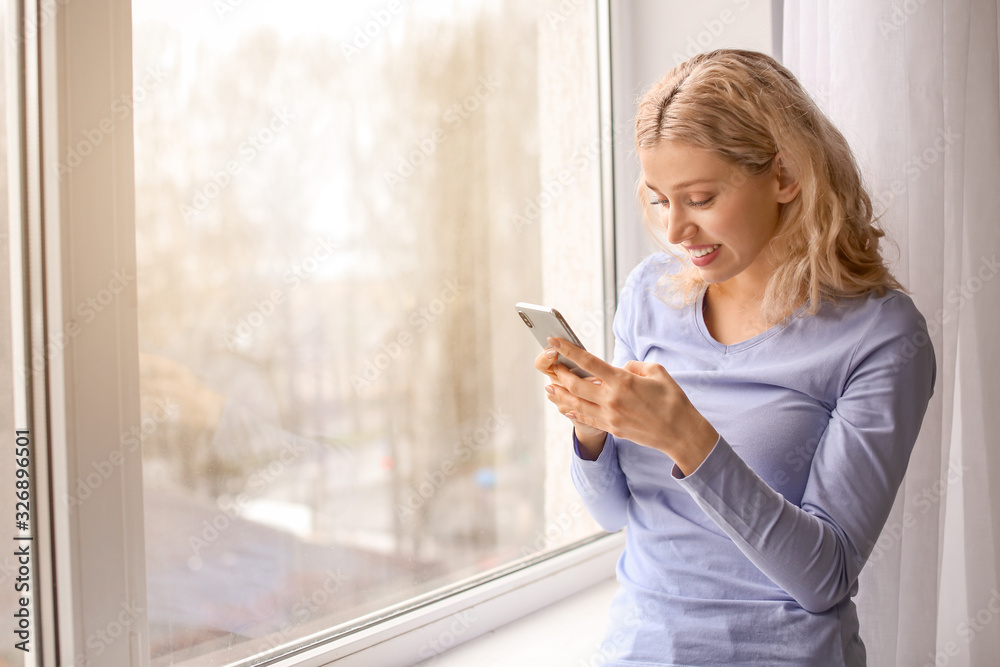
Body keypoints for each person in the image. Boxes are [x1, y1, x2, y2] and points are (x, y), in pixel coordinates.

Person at [534, 49, 936, 666]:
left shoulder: (880, 335)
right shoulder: (650, 294)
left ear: (784, 176)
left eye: (699, 197)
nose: (674, 232)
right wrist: (592, 427)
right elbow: (614, 513)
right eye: (660, 201)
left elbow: (823, 577)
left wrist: (688, 439)